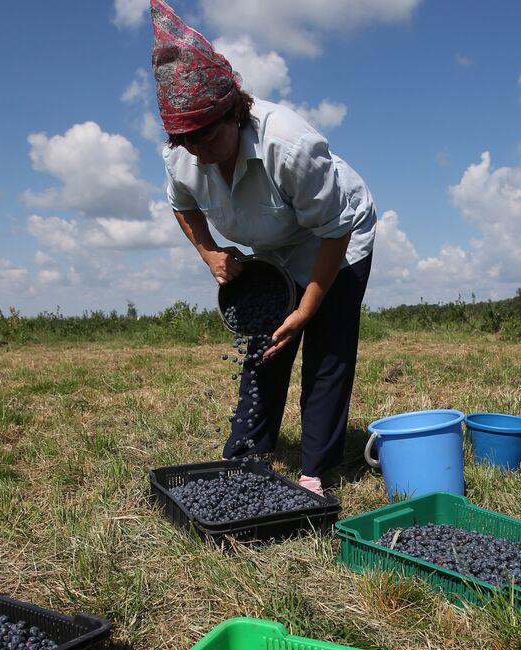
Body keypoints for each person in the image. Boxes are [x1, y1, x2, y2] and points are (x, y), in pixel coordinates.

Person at [150, 0, 376, 495]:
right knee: (266, 346)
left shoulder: (289, 146)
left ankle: (315, 470)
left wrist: (307, 308)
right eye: (188, 142)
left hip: (335, 235)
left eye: (208, 136)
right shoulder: (182, 157)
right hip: (277, 248)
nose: (200, 153)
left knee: (326, 344)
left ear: (234, 111)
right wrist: (211, 253)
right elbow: (183, 208)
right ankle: (248, 455)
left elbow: (335, 229)